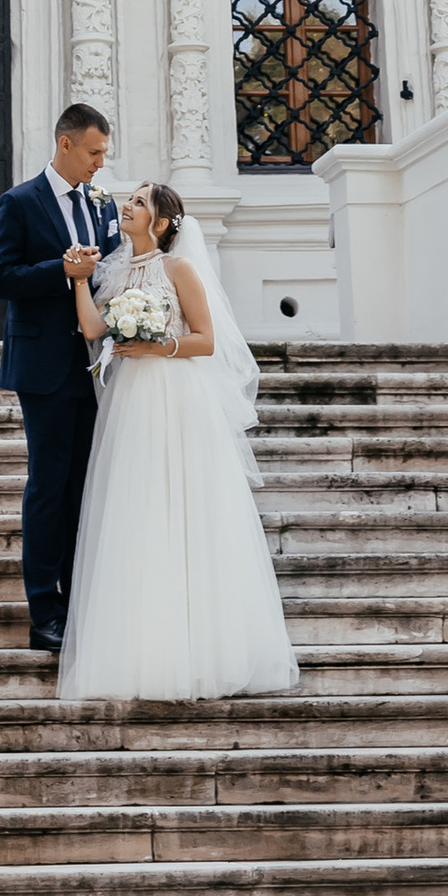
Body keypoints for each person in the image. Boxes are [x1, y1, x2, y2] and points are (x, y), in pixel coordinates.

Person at [56, 177, 298, 704]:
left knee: (181, 508)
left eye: (140, 202)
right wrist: (78, 281)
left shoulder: (179, 268)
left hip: (174, 395)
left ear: (161, 224)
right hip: (127, 403)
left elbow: (206, 340)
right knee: (135, 512)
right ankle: (142, 649)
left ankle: (201, 649)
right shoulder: (115, 266)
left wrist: (155, 346)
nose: (129, 204)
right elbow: (96, 330)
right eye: (132, 198)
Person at [0, 102, 115, 653]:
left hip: (99, 368)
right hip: (45, 369)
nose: (100, 163)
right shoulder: (18, 202)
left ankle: (82, 599)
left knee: (86, 487)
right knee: (49, 487)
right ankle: (45, 611)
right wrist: (59, 269)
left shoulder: (100, 204)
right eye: (93, 152)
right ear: (65, 144)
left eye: (103, 153)